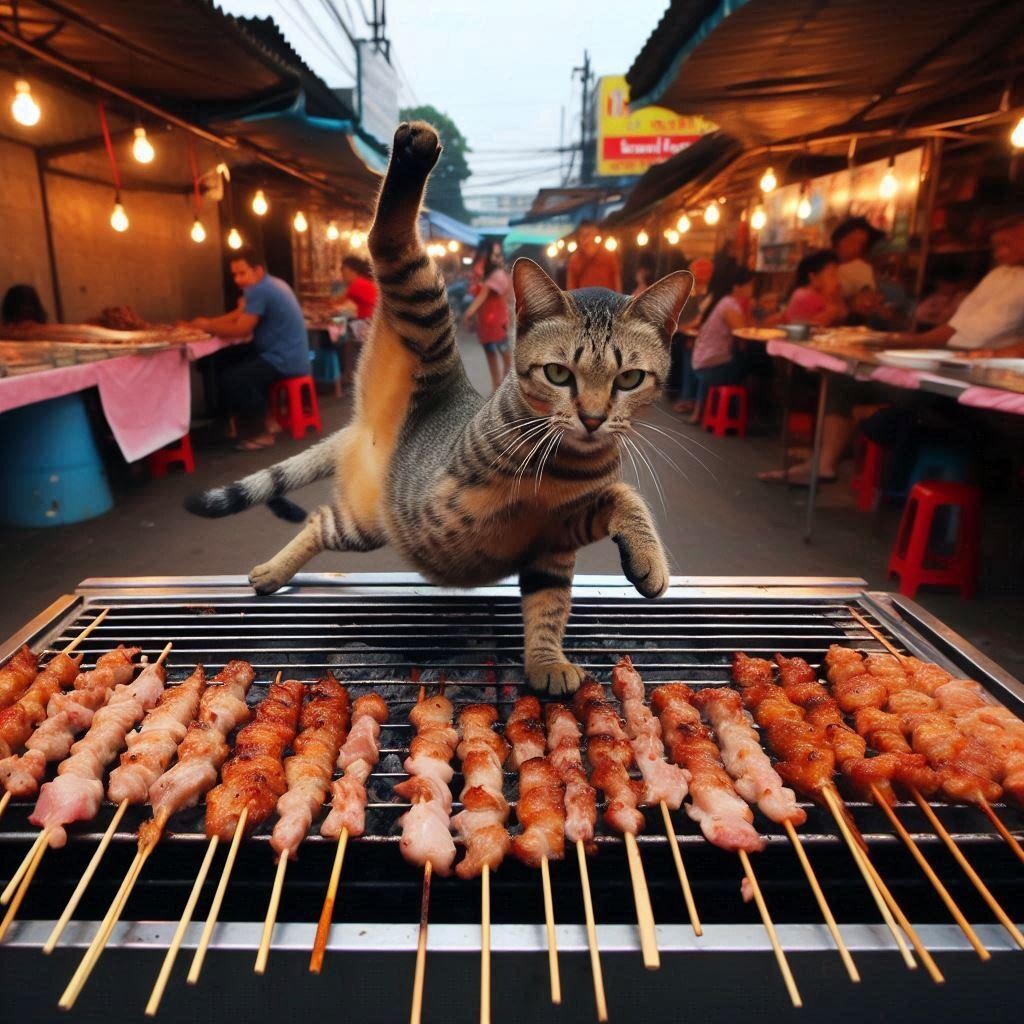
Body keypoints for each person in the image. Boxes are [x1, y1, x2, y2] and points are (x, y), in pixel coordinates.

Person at [759, 213, 1024, 485]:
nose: (999, 251)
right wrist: (900, 341)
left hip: (986, 379)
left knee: (899, 412)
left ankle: (871, 466)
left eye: (1007, 244)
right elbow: (953, 328)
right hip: (952, 359)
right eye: (996, 245)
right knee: (841, 382)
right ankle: (824, 464)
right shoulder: (998, 275)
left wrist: (996, 353)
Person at [188, 247, 309, 451]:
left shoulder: (260, 289)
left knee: (234, 378)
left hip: (283, 359)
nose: (237, 279)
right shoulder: (272, 284)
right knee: (225, 360)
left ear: (258, 271)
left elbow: (241, 328)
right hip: (291, 355)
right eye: (234, 274)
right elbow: (239, 313)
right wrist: (206, 323)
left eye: (242, 273)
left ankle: (259, 432)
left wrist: (207, 326)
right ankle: (253, 421)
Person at [687, 268, 755, 423]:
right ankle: (746, 415)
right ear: (736, 287)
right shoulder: (729, 305)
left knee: (746, 359)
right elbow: (743, 333)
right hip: (712, 367)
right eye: (749, 285)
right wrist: (750, 308)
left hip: (703, 363)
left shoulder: (720, 302)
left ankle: (703, 410)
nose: (751, 289)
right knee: (757, 363)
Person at [463, 242, 513, 393]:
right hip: (489, 324)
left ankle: (503, 387)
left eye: (498, 255)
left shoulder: (497, 275)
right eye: (494, 255)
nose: (496, 258)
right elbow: (478, 294)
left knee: (504, 357)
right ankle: (498, 388)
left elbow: (481, 296)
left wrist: (468, 314)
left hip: (497, 324)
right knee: (495, 356)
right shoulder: (489, 275)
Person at [671, 257, 713, 415]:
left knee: (688, 348)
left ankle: (688, 397)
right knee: (683, 345)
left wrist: (682, 328)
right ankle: (684, 394)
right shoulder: (690, 293)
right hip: (689, 334)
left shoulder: (710, 296)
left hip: (703, 337)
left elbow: (699, 320)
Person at [332, 254, 378, 380]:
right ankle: (350, 371)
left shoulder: (356, 285)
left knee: (339, 335)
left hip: (367, 323)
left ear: (351, 271)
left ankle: (346, 371)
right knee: (342, 328)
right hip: (370, 322)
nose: (342, 275)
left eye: (344, 271)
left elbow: (337, 302)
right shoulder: (363, 282)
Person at [782, 249, 845, 326]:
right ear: (814, 278)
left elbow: (842, 315)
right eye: (832, 275)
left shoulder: (814, 294)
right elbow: (814, 325)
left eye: (837, 275)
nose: (837, 281)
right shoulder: (806, 296)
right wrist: (832, 310)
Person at [831, 216, 883, 300]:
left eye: (860, 243)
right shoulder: (822, 264)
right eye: (851, 240)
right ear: (838, 240)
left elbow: (868, 296)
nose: (854, 247)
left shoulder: (862, 269)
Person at [566, 220, 622, 292]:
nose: (585, 240)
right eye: (582, 235)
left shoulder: (608, 255)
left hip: (607, 301)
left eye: (588, 235)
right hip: (585, 302)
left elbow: (616, 281)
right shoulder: (575, 260)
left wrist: (618, 300)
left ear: (595, 235)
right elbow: (571, 289)